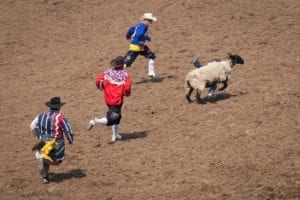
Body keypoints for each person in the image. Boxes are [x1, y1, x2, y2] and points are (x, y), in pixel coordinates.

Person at [87, 56, 131, 142]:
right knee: (113, 118)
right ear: (122, 66)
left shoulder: (107, 72)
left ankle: (115, 134)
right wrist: (126, 93)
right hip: (117, 100)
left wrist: (102, 87)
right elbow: (127, 89)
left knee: (117, 116)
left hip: (108, 98)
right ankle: (95, 121)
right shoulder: (125, 75)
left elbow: (98, 80)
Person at [30, 97, 74, 184]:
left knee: (46, 155)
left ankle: (45, 177)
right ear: (59, 107)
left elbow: (32, 125)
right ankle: (43, 160)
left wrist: (38, 135)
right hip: (56, 142)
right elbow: (68, 129)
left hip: (43, 140)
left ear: (49, 106)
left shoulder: (41, 115)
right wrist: (70, 139)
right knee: (57, 160)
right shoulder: (61, 117)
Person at [124, 13, 157, 79]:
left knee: (151, 55)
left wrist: (129, 37)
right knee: (125, 63)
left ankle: (151, 74)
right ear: (146, 20)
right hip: (137, 47)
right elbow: (139, 34)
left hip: (136, 46)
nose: (150, 23)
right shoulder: (143, 26)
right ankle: (151, 73)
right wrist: (147, 37)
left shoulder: (136, 26)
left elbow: (129, 33)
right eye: (150, 21)